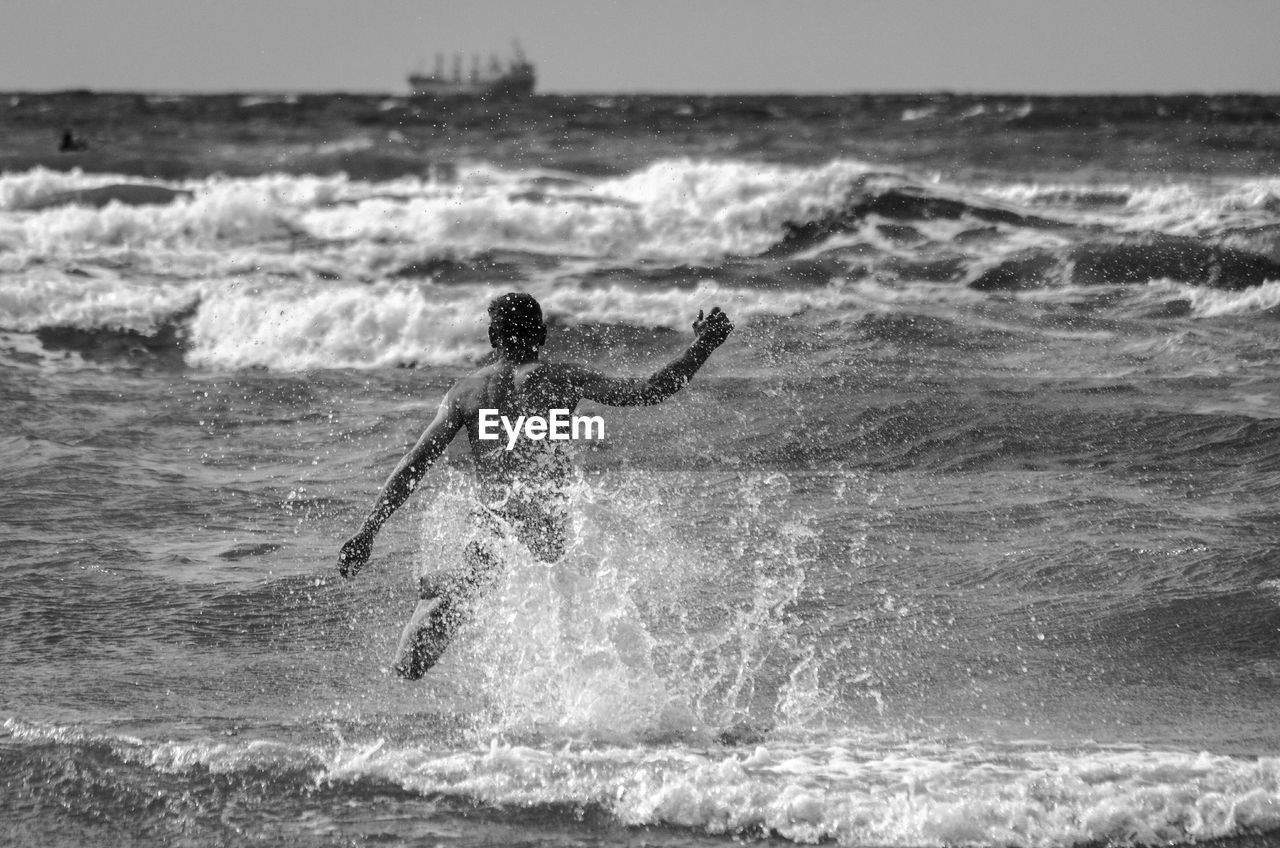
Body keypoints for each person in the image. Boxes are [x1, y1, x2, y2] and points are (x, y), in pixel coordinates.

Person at [338, 292, 733, 679]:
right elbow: (650, 390)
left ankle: (405, 693)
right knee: (568, 628)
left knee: (444, 609)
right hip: (547, 528)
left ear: (493, 339)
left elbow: (413, 465)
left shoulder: (466, 393)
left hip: (494, 525)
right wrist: (705, 345)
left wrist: (367, 531)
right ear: (541, 334)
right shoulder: (563, 378)